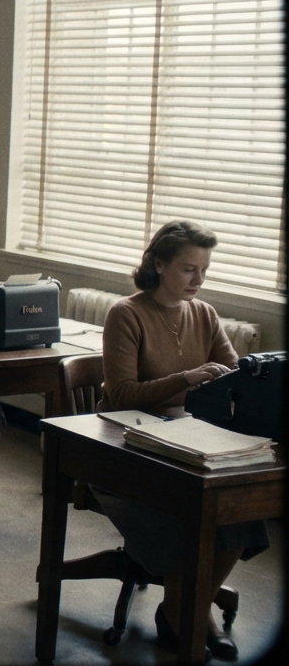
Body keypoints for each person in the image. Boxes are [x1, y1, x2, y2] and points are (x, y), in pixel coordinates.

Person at [97, 220, 266, 660]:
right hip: (126, 446)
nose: (199, 280)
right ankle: (192, 614)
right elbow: (119, 395)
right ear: (159, 264)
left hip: (187, 441)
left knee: (240, 509)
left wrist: (246, 377)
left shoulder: (204, 314)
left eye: (205, 269)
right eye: (189, 269)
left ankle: (181, 608)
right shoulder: (126, 313)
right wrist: (187, 380)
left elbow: (234, 376)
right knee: (184, 512)